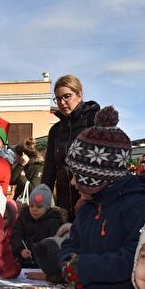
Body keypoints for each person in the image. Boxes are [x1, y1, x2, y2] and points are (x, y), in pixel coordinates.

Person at [60, 106, 145, 289]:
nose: (74, 183)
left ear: (97, 175)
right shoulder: (89, 206)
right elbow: (71, 242)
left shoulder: (140, 206)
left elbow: (137, 259)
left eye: (78, 176)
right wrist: (67, 260)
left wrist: (84, 266)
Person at [43, 75, 100, 220]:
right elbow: (49, 167)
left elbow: (102, 164)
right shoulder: (55, 130)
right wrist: (43, 196)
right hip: (63, 201)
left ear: (79, 94)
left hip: (92, 200)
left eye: (67, 96)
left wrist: (86, 196)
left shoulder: (93, 121)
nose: (62, 102)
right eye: (57, 98)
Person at [10, 184, 63, 268]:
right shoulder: (23, 217)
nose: (34, 209)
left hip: (44, 264)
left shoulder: (53, 221)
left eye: (39, 206)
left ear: (47, 207)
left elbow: (53, 242)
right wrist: (20, 249)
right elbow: (16, 234)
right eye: (31, 206)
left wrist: (42, 253)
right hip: (23, 260)